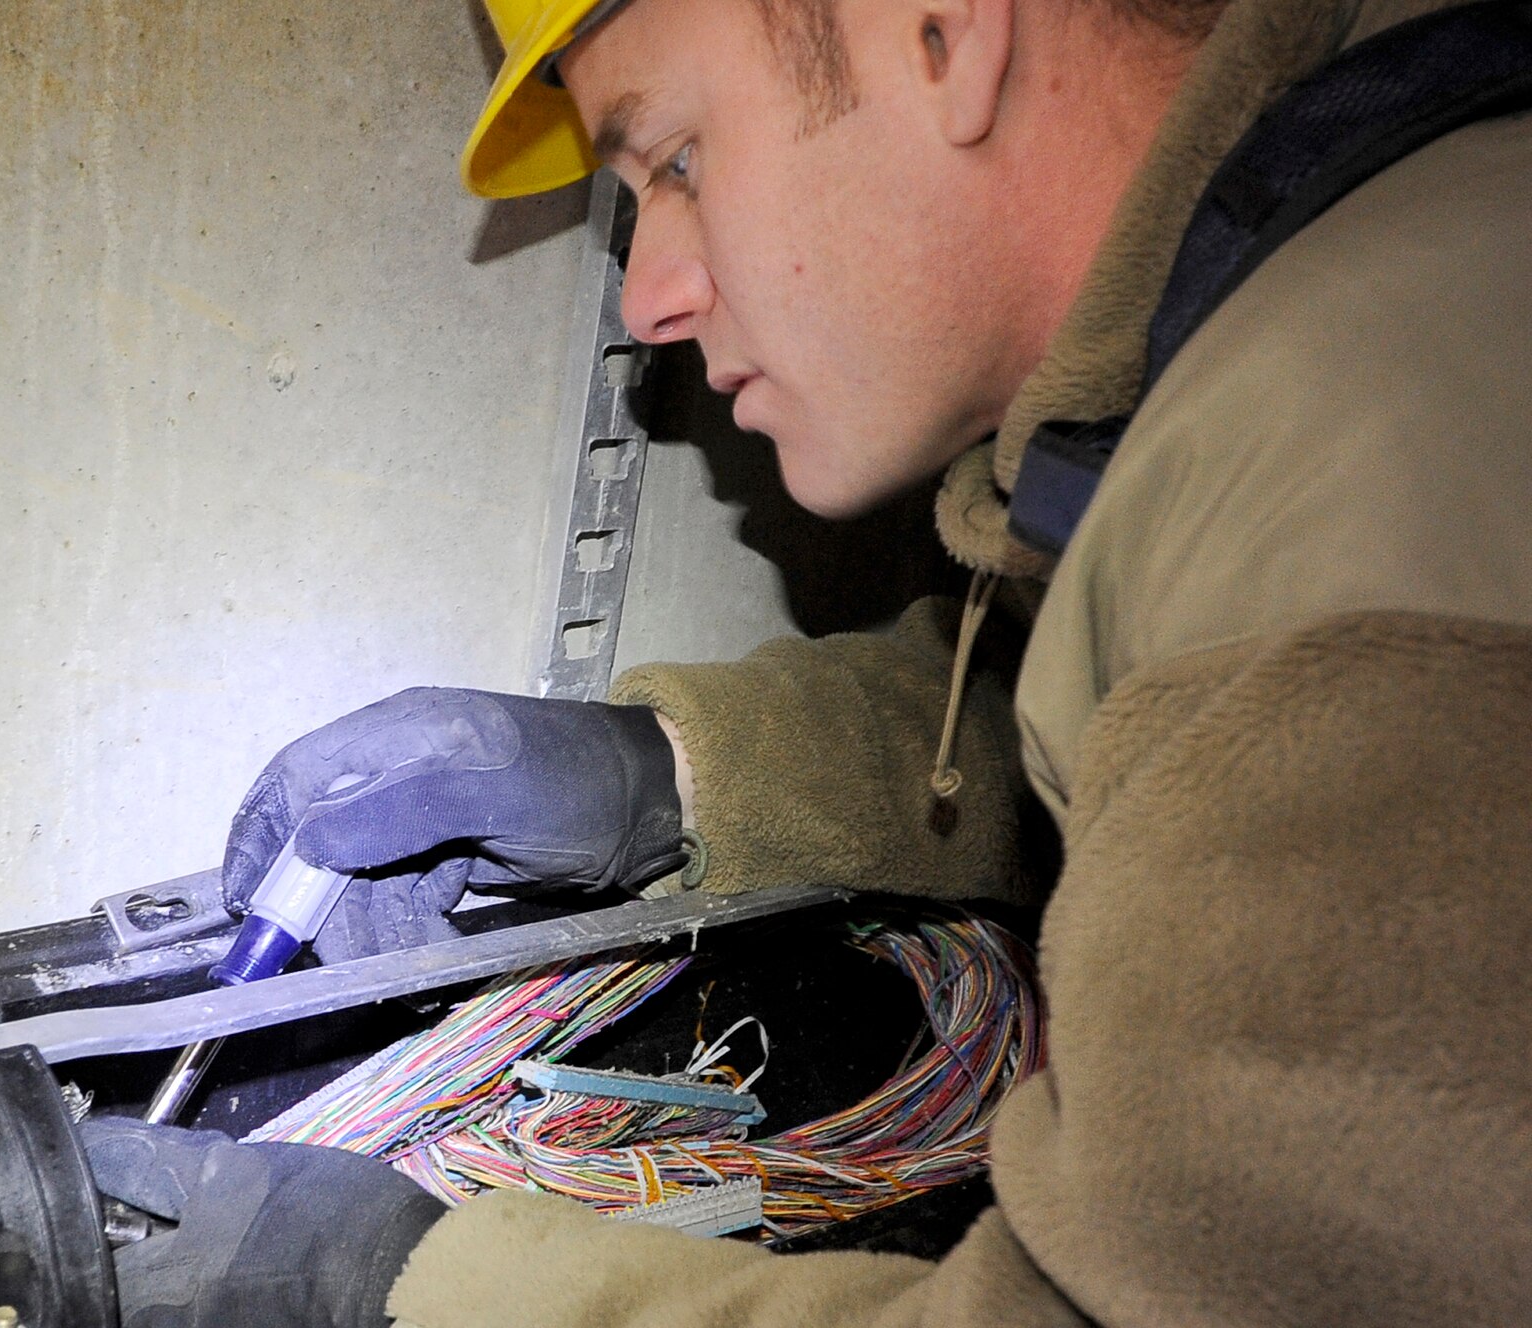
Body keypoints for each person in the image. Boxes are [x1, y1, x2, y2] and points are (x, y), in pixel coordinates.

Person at [80, 0, 1532, 1324]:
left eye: (675, 160)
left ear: (944, 31)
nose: (647, 295)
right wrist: (666, 773)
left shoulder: (1352, 513)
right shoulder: (1337, 315)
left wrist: (405, 1284)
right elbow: (1085, 695)